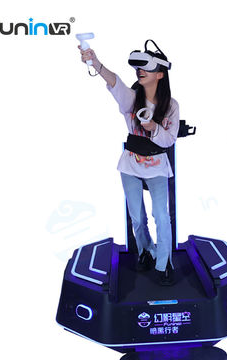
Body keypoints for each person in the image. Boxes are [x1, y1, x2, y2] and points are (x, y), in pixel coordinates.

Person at [78, 40, 179, 285]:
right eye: (138, 68)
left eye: (147, 68)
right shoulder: (131, 99)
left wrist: (154, 128)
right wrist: (95, 62)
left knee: (161, 215)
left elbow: (169, 139)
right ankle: (145, 251)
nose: (140, 71)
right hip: (130, 164)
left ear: (160, 74)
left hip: (157, 163)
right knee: (137, 217)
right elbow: (115, 82)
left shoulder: (171, 106)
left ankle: (164, 263)